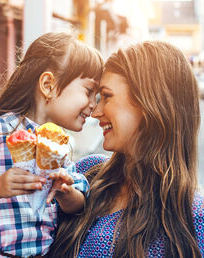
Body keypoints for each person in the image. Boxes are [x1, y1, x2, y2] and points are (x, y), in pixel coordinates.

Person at [0, 32, 103, 257]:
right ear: (48, 84)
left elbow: (80, 204)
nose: (94, 105)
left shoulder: (59, 142)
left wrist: (66, 192)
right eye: (89, 91)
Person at [48, 40, 204, 257]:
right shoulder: (86, 174)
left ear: (150, 103)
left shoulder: (194, 218)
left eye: (107, 96)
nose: (96, 112)